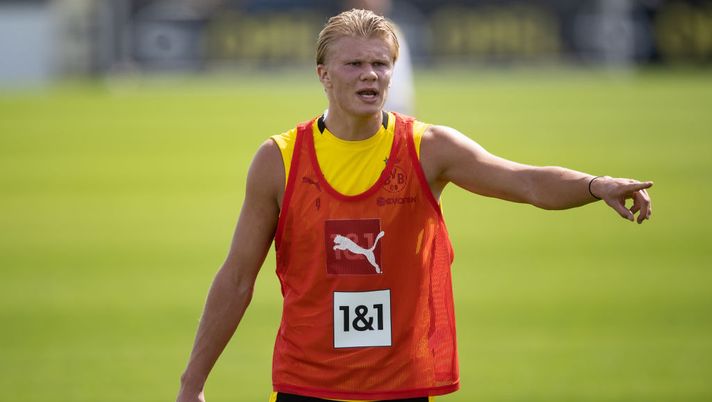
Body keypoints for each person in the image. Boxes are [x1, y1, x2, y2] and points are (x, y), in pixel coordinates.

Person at [176, 9, 653, 402]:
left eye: (381, 64)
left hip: (401, 386)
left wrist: (596, 184)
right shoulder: (278, 159)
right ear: (322, 74)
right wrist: (192, 383)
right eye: (354, 64)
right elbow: (238, 277)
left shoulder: (430, 149)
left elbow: (525, 182)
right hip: (309, 385)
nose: (370, 75)